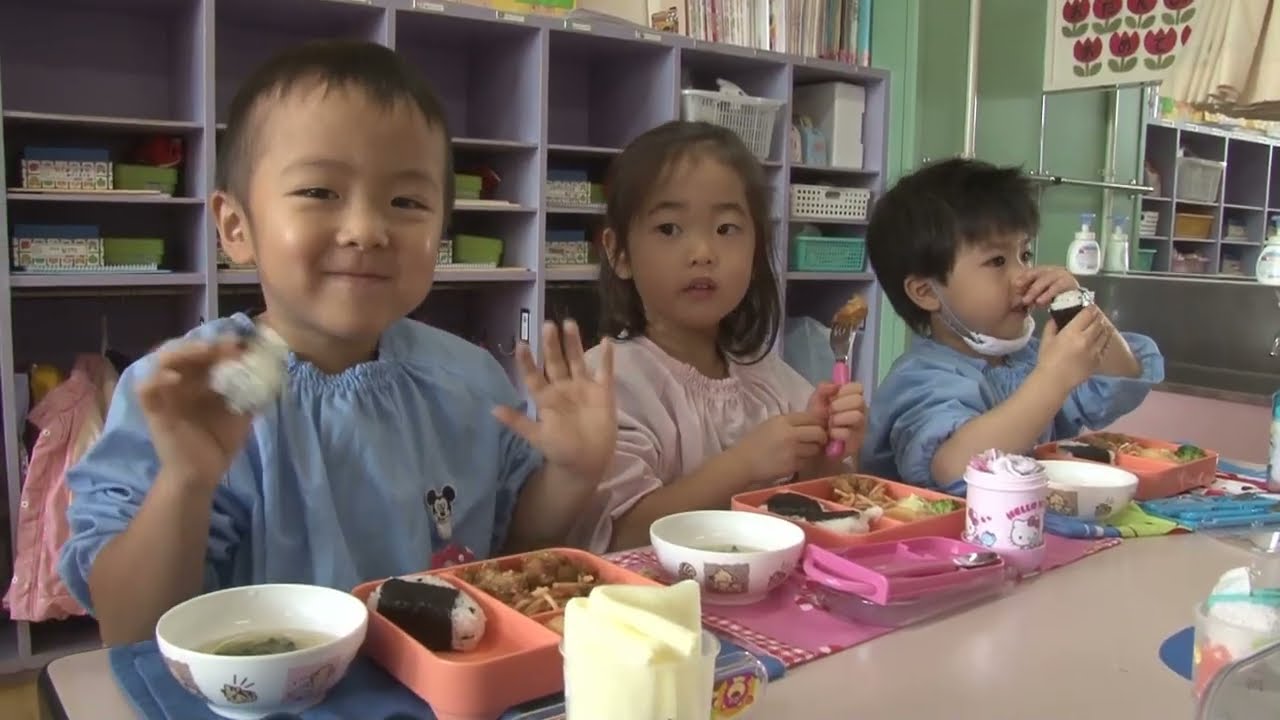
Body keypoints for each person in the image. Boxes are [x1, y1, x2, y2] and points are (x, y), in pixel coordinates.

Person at [57, 40, 616, 645]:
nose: (367, 229)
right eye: (320, 192)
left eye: (407, 202)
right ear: (236, 227)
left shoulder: (471, 380)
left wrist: (570, 472)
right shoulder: (185, 394)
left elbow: (510, 561)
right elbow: (130, 631)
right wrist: (185, 483)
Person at [571, 121, 867, 553]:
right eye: (669, 228)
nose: (703, 252)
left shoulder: (769, 378)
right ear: (618, 253)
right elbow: (618, 537)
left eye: (727, 228)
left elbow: (811, 503)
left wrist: (826, 448)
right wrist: (744, 465)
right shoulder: (609, 383)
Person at [859, 158, 1164, 491]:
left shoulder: (1030, 359)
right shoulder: (920, 379)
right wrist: (1051, 380)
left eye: (1025, 254)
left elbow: (1121, 380)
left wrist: (1079, 308)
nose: (1022, 275)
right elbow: (955, 467)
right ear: (926, 292)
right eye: (997, 261)